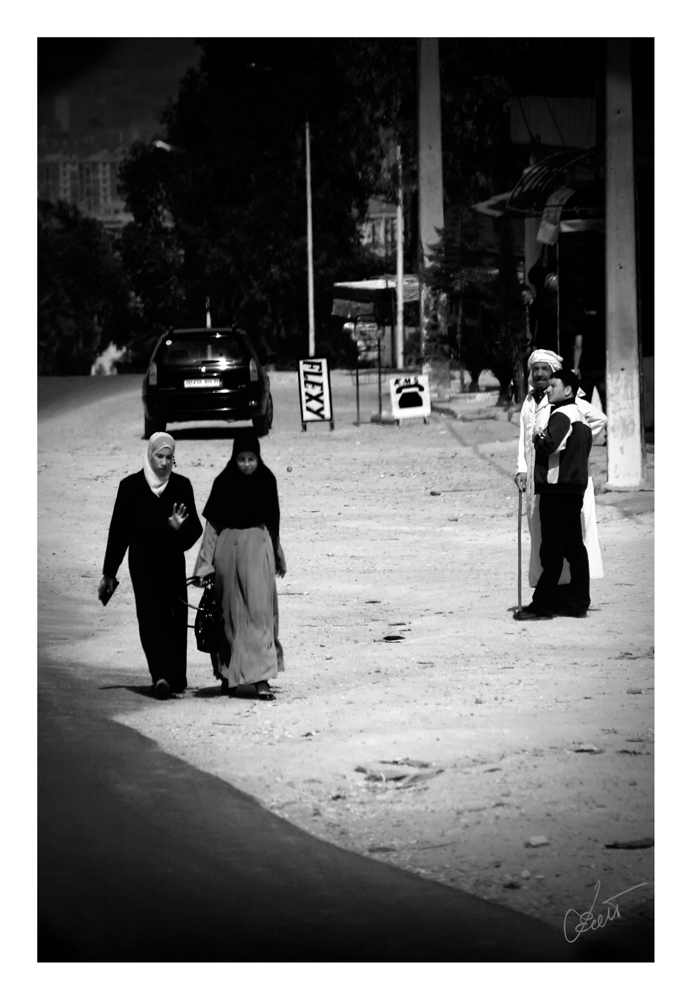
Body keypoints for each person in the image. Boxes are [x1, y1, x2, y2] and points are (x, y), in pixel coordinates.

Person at [99, 432, 203, 699]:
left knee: (175, 617)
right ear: (149, 455)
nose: (165, 463)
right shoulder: (130, 487)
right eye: (160, 456)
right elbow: (119, 533)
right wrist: (109, 573)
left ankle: (177, 675)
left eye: (170, 458)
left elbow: (194, 532)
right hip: (143, 564)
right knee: (150, 618)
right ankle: (159, 676)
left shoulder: (181, 486)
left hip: (172, 562)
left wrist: (178, 529)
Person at [192, 430, 286, 701]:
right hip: (228, 554)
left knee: (260, 615)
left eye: (251, 458)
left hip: (259, 551)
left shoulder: (267, 481)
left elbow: (272, 522)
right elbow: (212, 527)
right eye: (241, 458)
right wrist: (203, 564)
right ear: (234, 458)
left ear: (258, 458)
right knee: (230, 617)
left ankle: (261, 678)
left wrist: (278, 553)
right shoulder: (223, 483)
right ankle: (228, 673)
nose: (246, 464)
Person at [514, 349, 607, 608]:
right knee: (547, 538)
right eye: (536, 369)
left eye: (546, 370)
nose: (540, 374)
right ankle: (562, 594)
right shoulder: (530, 402)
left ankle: (558, 597)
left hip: (563, 483)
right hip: (542, 482)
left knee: (564, 542)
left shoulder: (568, 403)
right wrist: (522, 468)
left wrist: (576, 451)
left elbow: (597, 420)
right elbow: (524, 439)